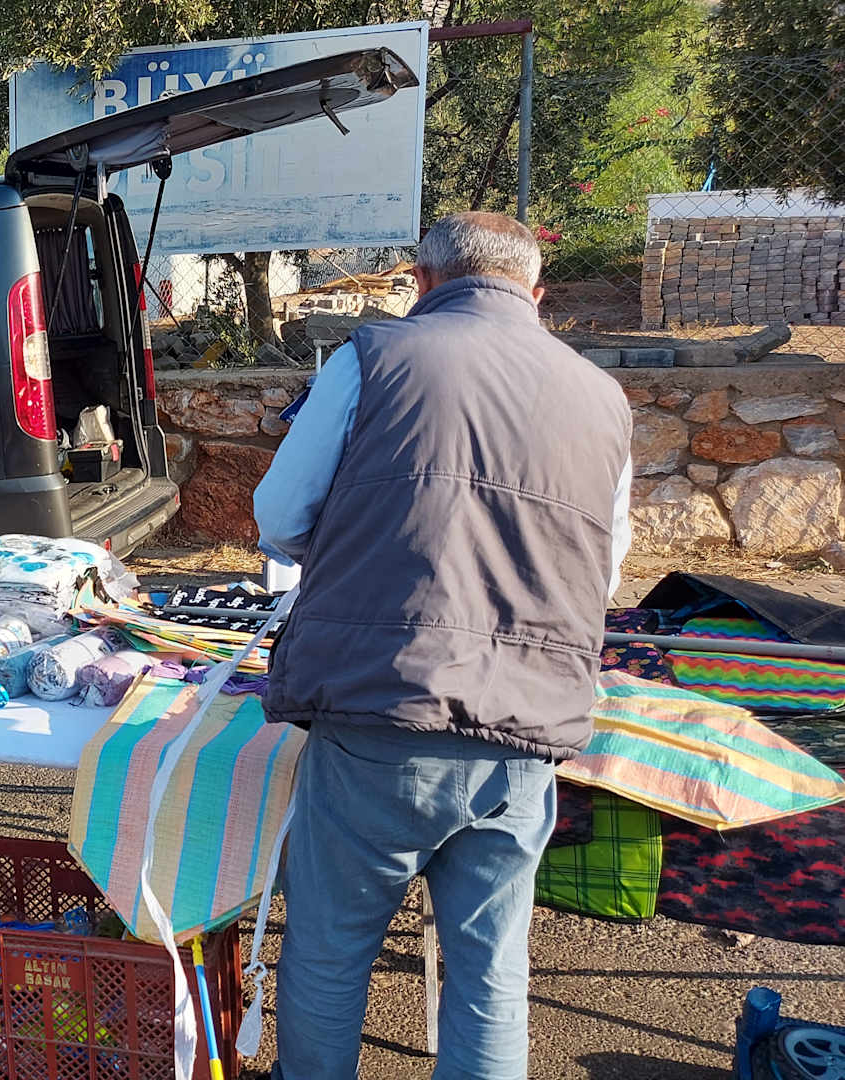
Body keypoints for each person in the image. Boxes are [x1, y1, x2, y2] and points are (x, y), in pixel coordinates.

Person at [253, 212, 633, 1080]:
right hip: (526, 729)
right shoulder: (602, 397)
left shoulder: (372, 357)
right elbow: (603, 572)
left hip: (380, 708)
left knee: (330, 953)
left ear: (421, 283)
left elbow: (279, 518)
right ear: (537, 295)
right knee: (491, 973)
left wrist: (359, 547)